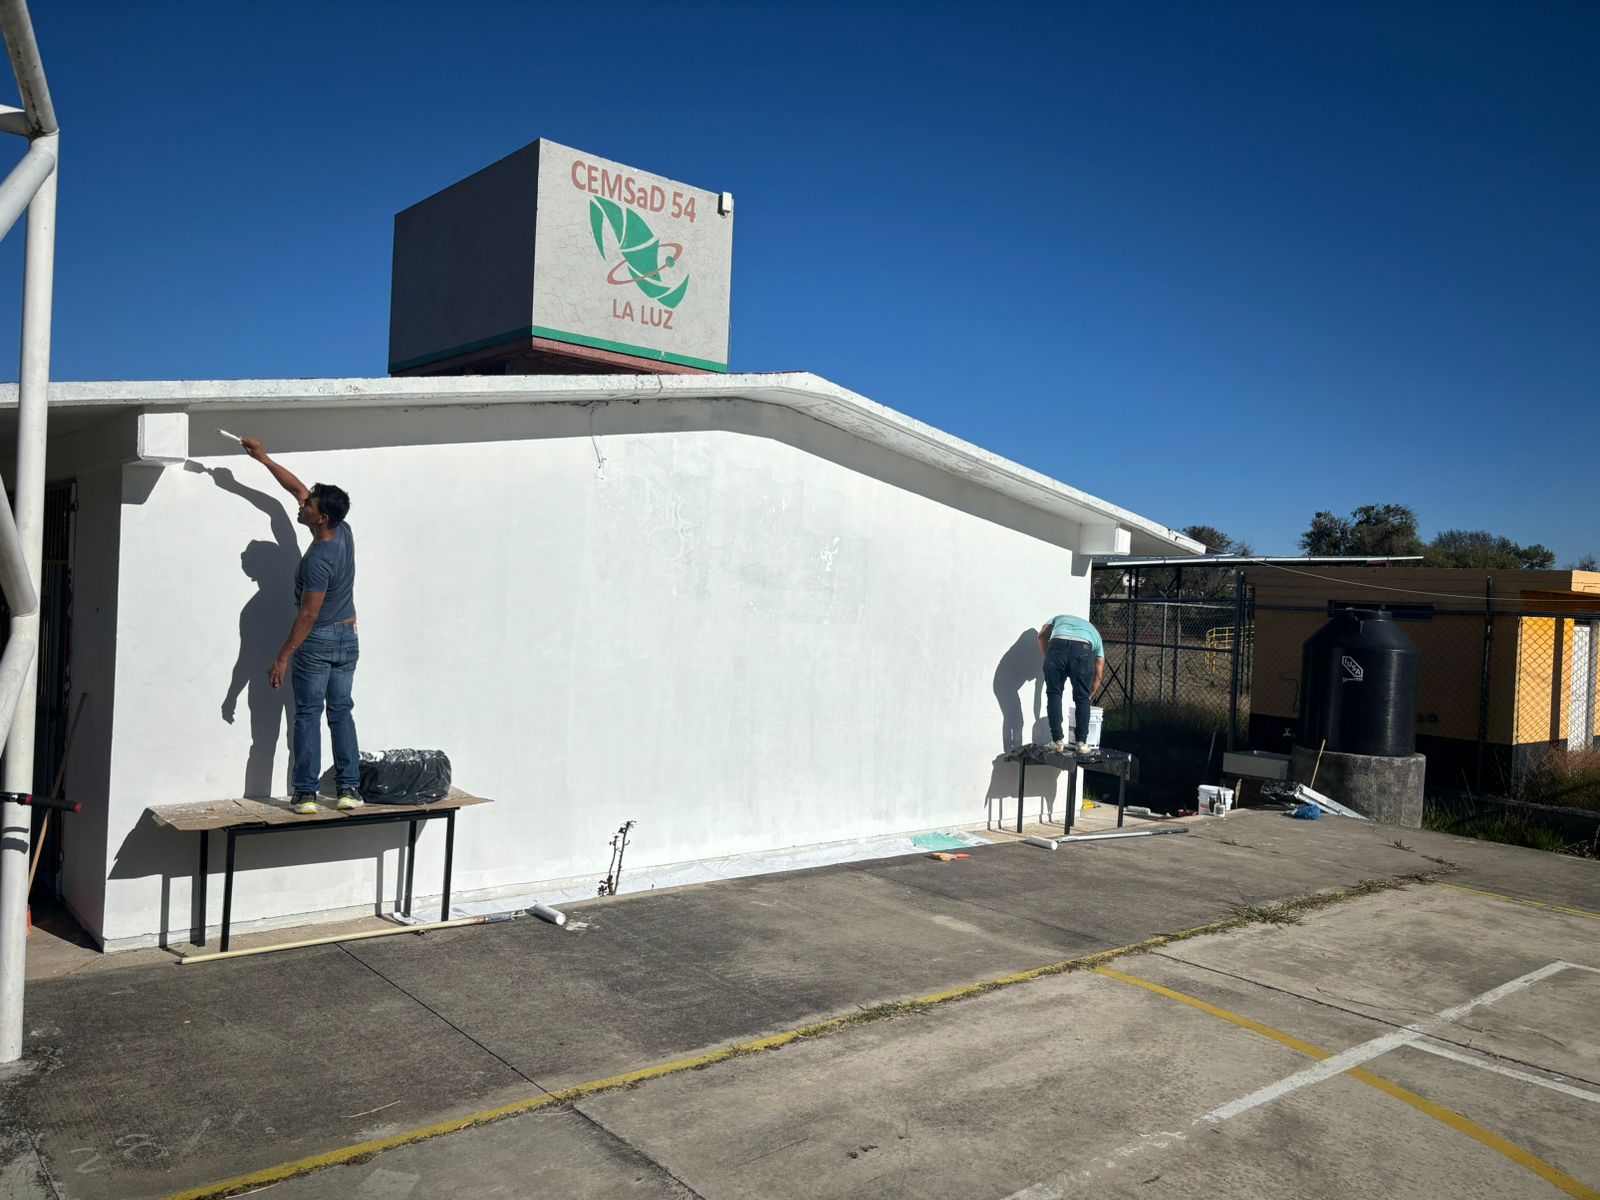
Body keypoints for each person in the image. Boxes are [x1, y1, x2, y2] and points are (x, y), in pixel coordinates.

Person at [240, 437, 362, 814]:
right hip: (348, 638)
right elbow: (295, 487)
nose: (303, 502)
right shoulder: (343, 530)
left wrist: (281, 658)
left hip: (319, 639)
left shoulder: (318, 562)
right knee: (340, 711)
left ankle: (306, 793)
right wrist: (262, 459)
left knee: (307, 715)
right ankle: (349, 790)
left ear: (320, 517)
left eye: (309, 504)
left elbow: (307, 615)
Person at [1037, 612, 1105, 755]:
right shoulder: (1095, 635)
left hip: (1056, 647)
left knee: (1054, 694)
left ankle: (1057, 742)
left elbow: (1042, 635)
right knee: (1082, 699)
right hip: (1083, 649)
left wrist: (1047, 656)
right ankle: (1081, 744)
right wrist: (1088, 695)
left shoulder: (1057, 618)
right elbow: (1099, 673)